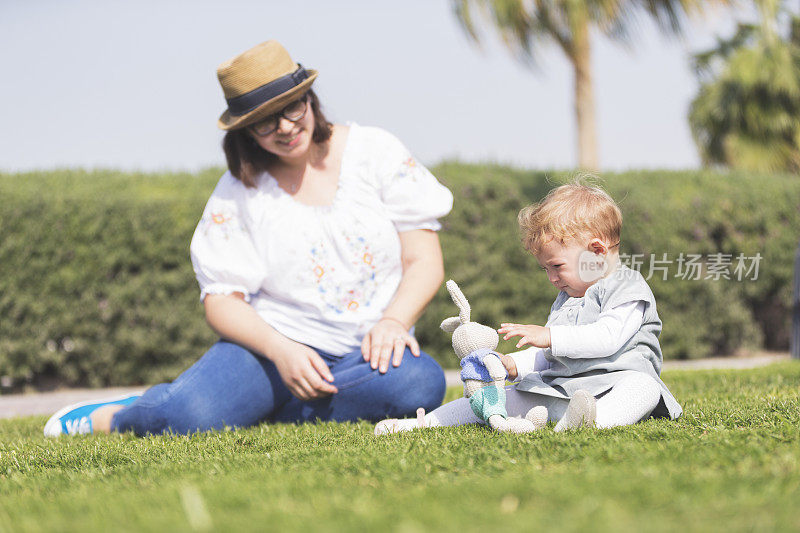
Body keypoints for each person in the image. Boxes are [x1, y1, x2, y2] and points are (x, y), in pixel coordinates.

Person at [45, 40, 453, 437]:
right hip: (269, 352)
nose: (286, 128)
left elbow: (423, 259)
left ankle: (248, 410)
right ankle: (120, 416)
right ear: (245, 131)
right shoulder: (238, 190)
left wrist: (393, 322)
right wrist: (282, 350)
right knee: (189, 417)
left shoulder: (376, 151)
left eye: (293, 107)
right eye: (265, 121)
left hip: (367, 354)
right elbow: (221, 300)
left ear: (309, 98)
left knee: (419, 385)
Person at [375, 181, 681, 434]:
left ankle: (592, 422)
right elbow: (551, 357)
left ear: (597, 251)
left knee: (644, 387)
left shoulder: (627, 286)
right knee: (502, 396)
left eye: (557, 266)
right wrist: (513, 365)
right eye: (546, 269)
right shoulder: (568, 297)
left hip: (616, 386)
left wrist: (550, 336)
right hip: (564, 391)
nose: (551, 278)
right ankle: (423, 423)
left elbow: (607, 338)